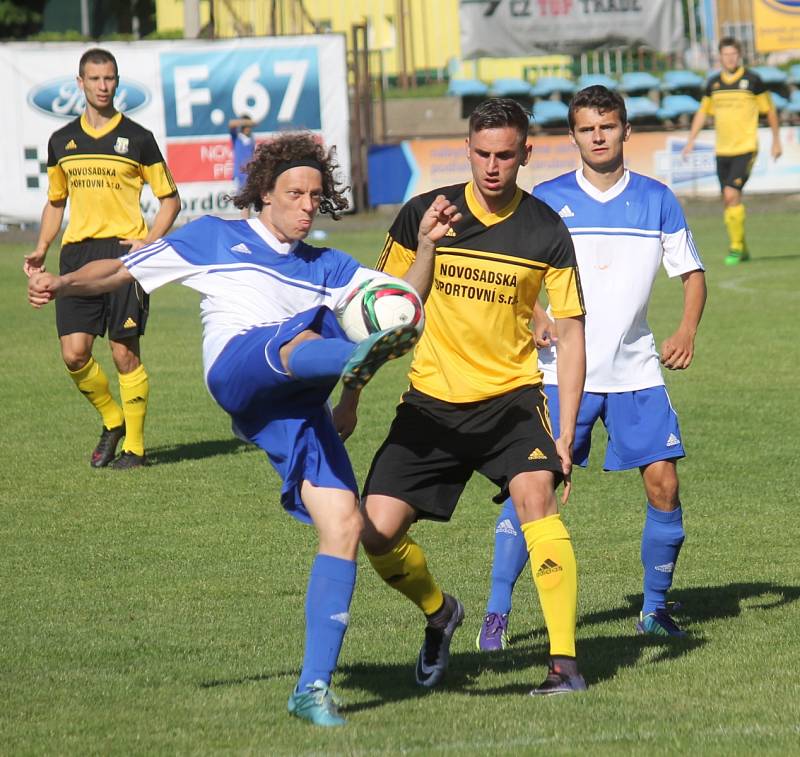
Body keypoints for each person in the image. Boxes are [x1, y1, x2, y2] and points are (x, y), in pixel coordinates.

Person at [29, 131, 458, 727]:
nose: (308, 205)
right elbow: (120, 271)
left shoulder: (327, 264)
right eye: (295, 193)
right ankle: (344, 356)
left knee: (343, 526)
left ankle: (312, 688)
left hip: (299, 402)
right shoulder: (215, 237)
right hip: (239, 371)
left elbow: (399, 306)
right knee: (307, 334)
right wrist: (64, 282)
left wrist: (428, 246)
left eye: (316, 195)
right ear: (263, 194)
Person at [333, 98, 588, 695]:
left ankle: (565, 666)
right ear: (466, 149)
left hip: (512, 402)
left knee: (537, 501)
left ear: (526, 153)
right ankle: (440, 613)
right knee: (374, 531)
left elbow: (573, 332)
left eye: (505, 155)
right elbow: (386, 311)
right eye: (482, 154)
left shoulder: (547, 229)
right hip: (430, 404)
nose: (493, 167)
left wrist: (566, 434)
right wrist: (351, 395)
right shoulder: (425, 213)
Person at [477, 86, 707, 652]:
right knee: (529, 490)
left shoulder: (657, 199)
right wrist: (533, 313)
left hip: (635, 370)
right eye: (586, 128)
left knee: (664, 484)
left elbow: (692, 273)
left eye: (607, 125)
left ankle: (654, 610)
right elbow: (515, 269)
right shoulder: (548, 199)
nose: (598, 136)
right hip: (560, 372)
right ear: (573, 136)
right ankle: (497, 612)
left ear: (626, 130)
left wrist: (685, 330)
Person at [23, 47, 181, 470]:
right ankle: (113, 421)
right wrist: (42, 247)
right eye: (94, 79)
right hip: (76, 253)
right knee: (74, 355)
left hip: (125, 254)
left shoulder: (139, 139)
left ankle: (135, 449)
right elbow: (56, 202)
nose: (103, 86)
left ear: (117, 81)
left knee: (124, 351)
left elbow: (171, 200)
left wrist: (149, 241)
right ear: (81, 83)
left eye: (110, 78)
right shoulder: (62, 142)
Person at [682, 36, 782, 265]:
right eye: (726, 55)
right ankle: (743, 246)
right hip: (722, 150)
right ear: (720, 57)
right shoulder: (713, 84)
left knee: (731, 193)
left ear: (739, 55)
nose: (730, 58)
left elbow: (771, 111)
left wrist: (776, 141)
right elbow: (702, 112)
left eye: (734, 54)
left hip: (746, 148)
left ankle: (735, 247)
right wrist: (690, 140)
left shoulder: (753, 81)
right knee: (728, 201)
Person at [229, 115, 257, 218]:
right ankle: (245, 221)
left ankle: (248, 220)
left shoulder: (251, 139)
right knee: (244, 201)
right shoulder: (237, 137)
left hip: (250, 174)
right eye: (247, 125)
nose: (249, 128)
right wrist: (246, 121)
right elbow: (231, 124)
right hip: (241, 175)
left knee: (251, 201)